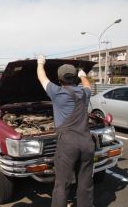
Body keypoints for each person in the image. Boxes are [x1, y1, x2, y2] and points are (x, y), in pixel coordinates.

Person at [36, 55, 95, 207]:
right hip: (87, 142)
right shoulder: (84, 94)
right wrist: (83, 75)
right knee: (85, 183)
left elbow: (42, 77)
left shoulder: (57, 92)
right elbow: (88, 86)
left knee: (62, 184)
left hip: (68, 145)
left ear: (59, 79)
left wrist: (40, 63)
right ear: (75, 78)